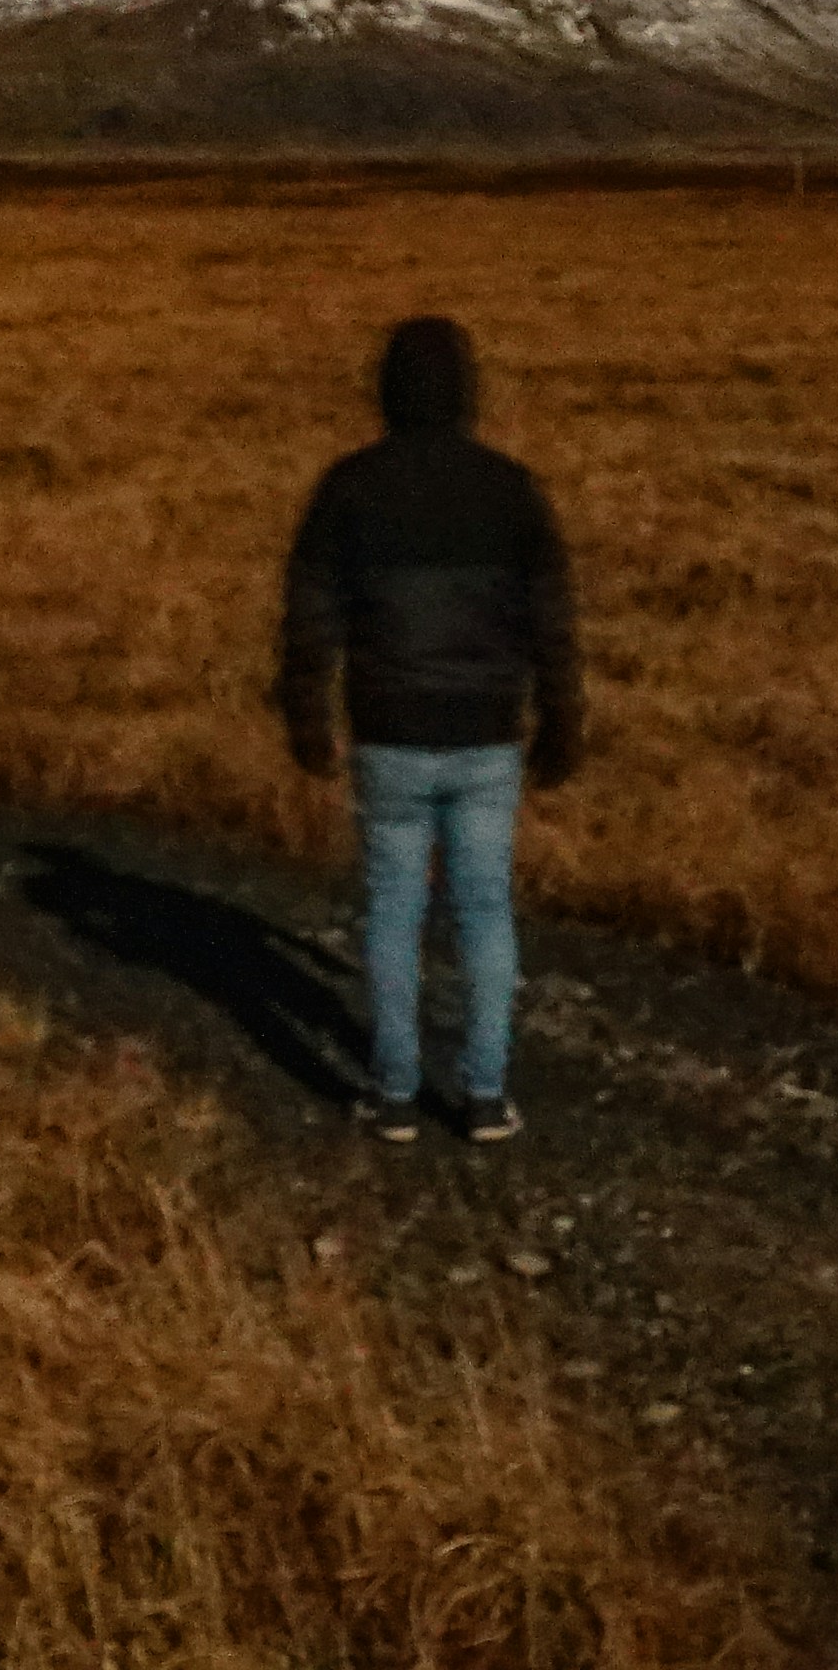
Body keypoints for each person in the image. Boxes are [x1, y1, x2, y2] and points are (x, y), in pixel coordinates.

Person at [273, 314, 583, 1144]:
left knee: (394, 909)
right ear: (468, 391)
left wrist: (307, 716)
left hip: (389, 731)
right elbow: (550, 623)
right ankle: (485, 1094)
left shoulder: (349, 488)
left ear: (386, 390)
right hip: (487, 732)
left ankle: (396, 1091)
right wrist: (562, 721)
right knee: (485, 910)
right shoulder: (511, 490)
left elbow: (311, 619)